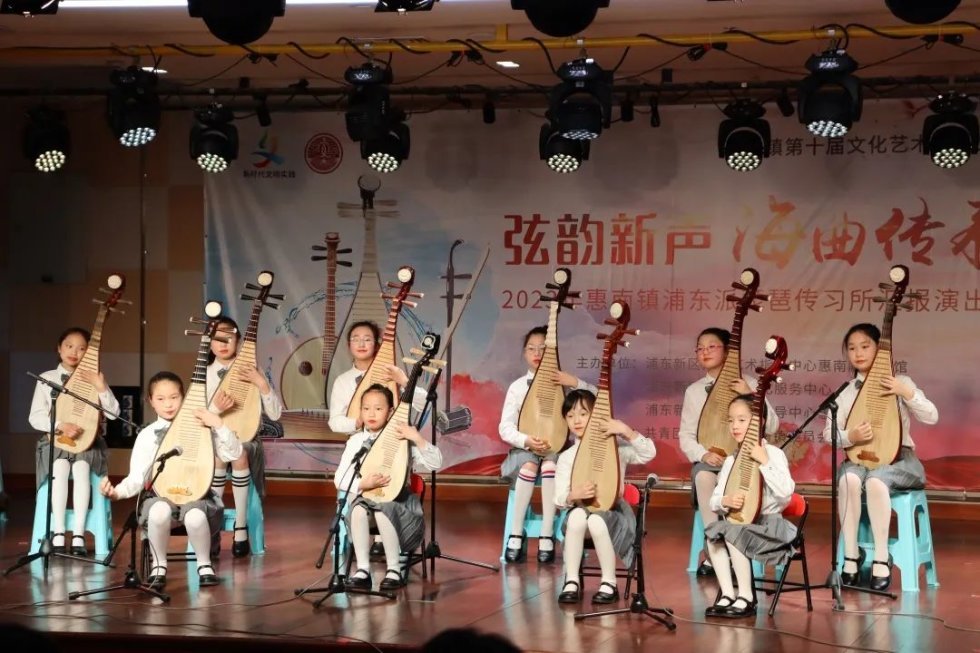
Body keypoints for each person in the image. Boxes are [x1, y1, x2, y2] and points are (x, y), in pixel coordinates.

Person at [100, 371, 243, 589]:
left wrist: (218, 424)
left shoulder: (201, 427)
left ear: (183, 397)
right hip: (160, 497)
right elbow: (138, 476)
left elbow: (233, 453)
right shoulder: (147, 435)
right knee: (159, 510)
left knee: (195, 515)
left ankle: (204, 565)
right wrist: (116, 492)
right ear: (150, 401)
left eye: (174, 397)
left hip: (198, 497)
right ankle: (159, 566)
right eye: (161, 398)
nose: (168, 404)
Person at [823, 323, 938, 591]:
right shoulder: (847, 392)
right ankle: (851, 556)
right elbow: (829, 434)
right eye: (852, 348)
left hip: (900, 460)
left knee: (876, 481)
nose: (858, 353)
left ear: (880, 349)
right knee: (848, 480)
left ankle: (881, 557)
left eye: (865, 346)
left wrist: (905, 391)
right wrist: (851, 435)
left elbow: (932, 416)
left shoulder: (900, 382)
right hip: (859, 459)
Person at [677, 327, 779, 576]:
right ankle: (716, 546)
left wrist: (750, 395)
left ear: (727, 352)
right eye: (700, 348)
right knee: (703, 475)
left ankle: (741, 546)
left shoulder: (749, 383)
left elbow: (772, 426)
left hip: (746, 462)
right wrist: (703, 455)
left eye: (711, 346)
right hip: (712, 461)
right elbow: (686, 436)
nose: (705, 352)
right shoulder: (694, 391)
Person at [498, 326, 596, 564]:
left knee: (551, 466)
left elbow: (596, 400)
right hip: (524, 451)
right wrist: (526, 440)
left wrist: (575, 382)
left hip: (556, 451)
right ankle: (516, 532)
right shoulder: (517, 387)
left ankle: (546, 533)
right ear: (524, 353)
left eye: (542, 349)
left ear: (552, 352)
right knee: (529, 466)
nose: (536, 353)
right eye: (531, 348)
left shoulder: (563, 384)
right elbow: (505, 428)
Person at [333, 383, 443, 590]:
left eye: (378, 408)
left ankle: (394, 569)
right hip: (368, 499)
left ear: (390, 412)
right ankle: (363, 569)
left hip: (400, 504)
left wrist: (416, 437)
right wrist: (363, 484)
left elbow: (435, 463)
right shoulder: (356, 441)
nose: (371, 413)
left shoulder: (401, 439)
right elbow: (340, 478)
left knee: (384, 509)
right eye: (366, 408)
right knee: (357, 509)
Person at [554, 389, 656, 604]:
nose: (577, 421)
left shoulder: (615, 448)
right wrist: (573, 495)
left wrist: (626, 431)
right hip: (581, 514)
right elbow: (559, 498)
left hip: (614, 514)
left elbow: (648, 453)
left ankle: (609, 582)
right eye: (570, 416)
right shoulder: (567, 457)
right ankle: (571, 580)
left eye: (583, 414)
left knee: (596, 520)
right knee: (577, 516)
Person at [29, 327, 120, 556]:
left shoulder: (94, 379)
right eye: (69, 346)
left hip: (88, 445)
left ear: (89, 354)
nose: (74, 352)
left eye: (81, 349)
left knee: (81, 469)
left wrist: (101, 387)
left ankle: (78, 534)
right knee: (60, 466)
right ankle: (59, 532)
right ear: (59, 349)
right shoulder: (47, 378)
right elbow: (35, 417)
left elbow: (114, 414)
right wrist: (60, 425)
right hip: (56, 442)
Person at [704, 394, 797, 619]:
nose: (734, 426)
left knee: (733, 533)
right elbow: (714, 501)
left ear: (758, 422)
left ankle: (746, 597)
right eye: (731, 420)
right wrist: (725, 501)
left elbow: (786, 492)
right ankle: (728, 594)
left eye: (741, 420)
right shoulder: (731, 461)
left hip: (770, 528)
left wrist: (764, 462)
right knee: (713, 535)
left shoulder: (773, 454)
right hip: (743, 525)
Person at [207, 316, 283, 557]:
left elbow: (275, 414)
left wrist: (262, 384)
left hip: (247, 441)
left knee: (239, 452)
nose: (223, 344)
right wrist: (216, 409)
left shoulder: (252, 371)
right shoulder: (204, 374)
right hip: (212, 439)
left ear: (239, 341)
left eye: (229, 338)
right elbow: (196, 417)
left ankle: (241, 527)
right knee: (219, 454)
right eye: (217, 339)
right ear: (209, 343)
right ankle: (212, 528)